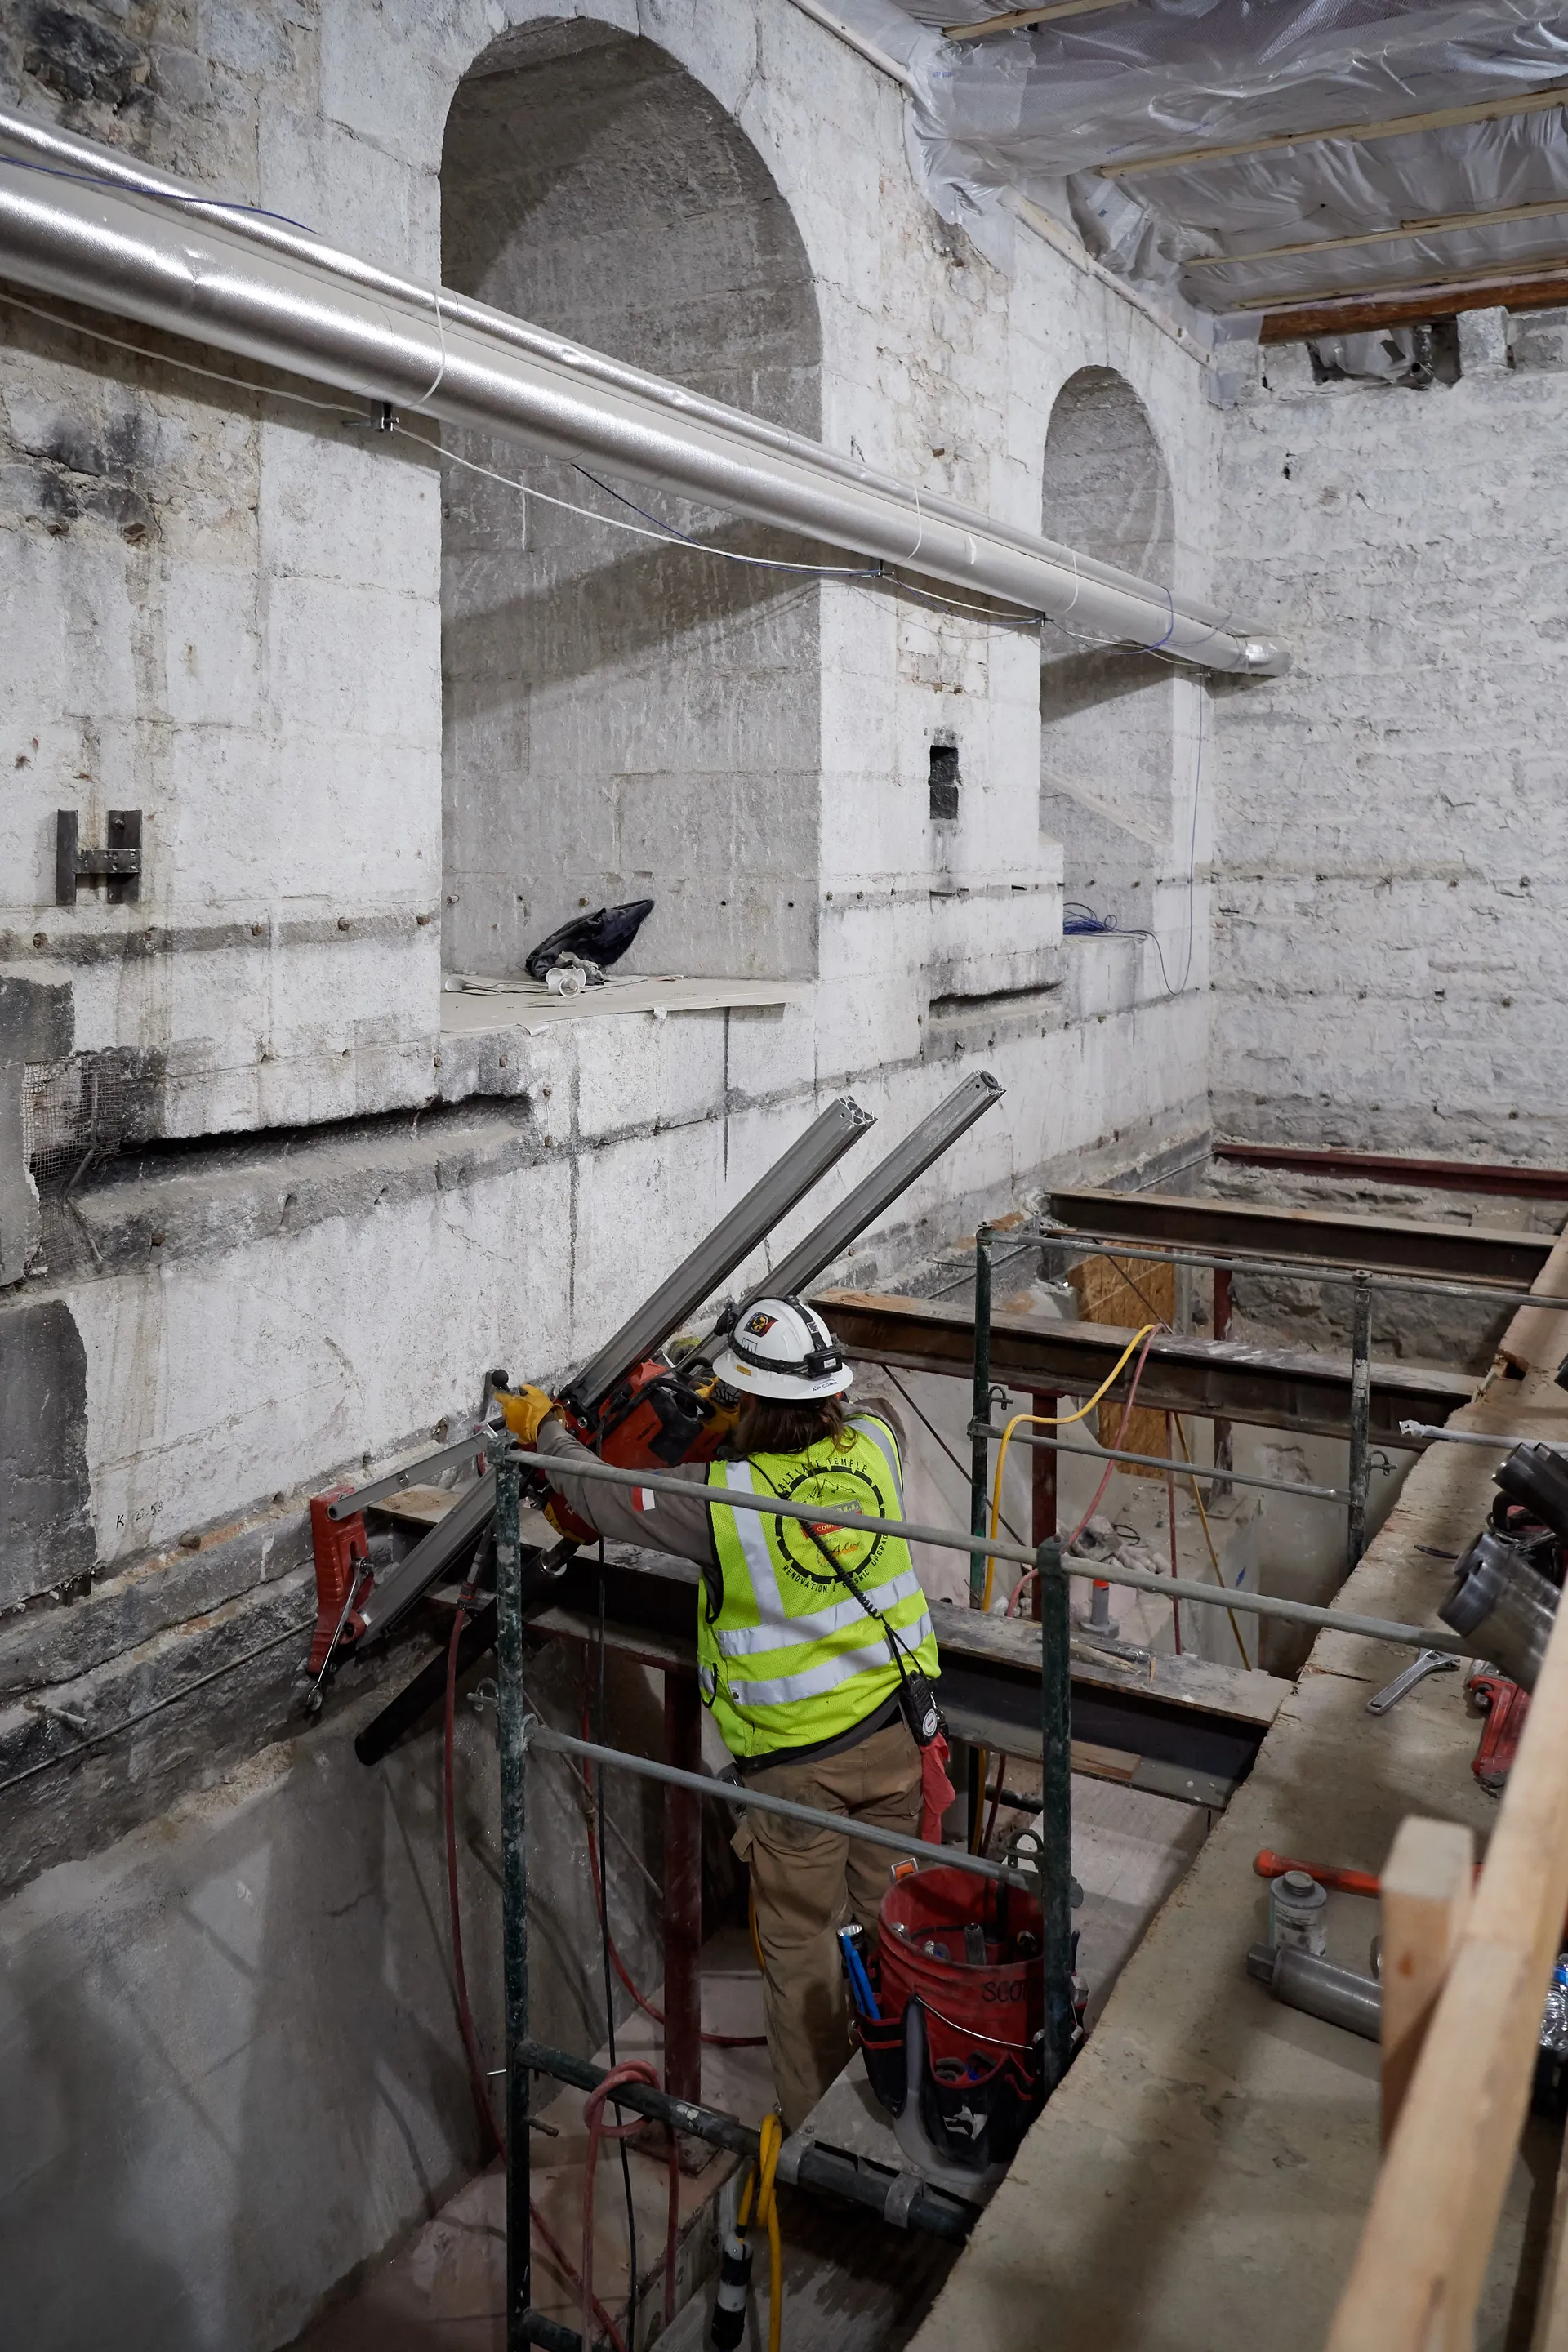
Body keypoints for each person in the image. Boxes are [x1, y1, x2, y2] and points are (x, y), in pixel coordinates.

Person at [501, 1294, 950, 2132]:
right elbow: (872, 1407)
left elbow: (600, 1497)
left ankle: (825, 2146)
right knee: (895, 1930)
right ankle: (914, 2100)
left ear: (746, 1401)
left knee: (805, 1958)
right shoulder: (880, 1442)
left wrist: (546, 1431)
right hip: (900, 1742)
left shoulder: (721, 1499)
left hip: (796, 1780)